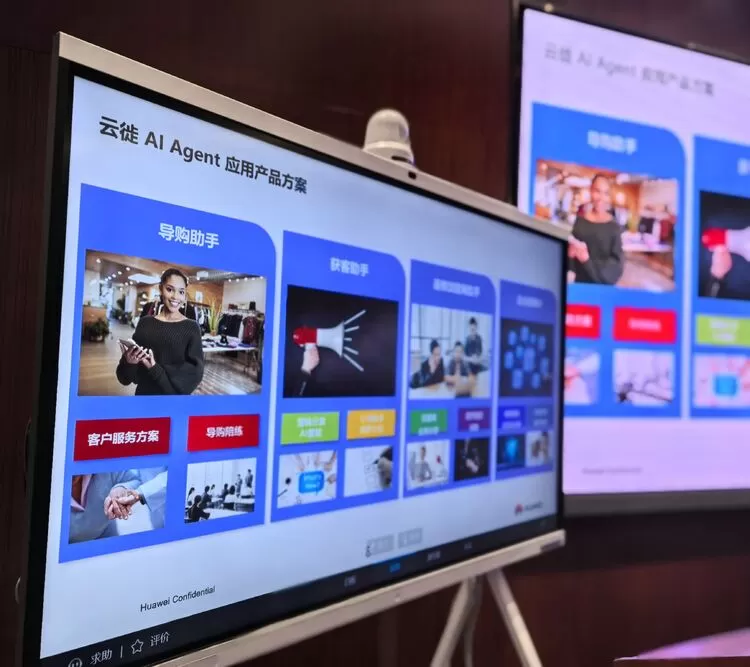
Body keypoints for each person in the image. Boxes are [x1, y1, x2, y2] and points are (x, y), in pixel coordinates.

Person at [116, 268, 205, 395]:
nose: (175, 297)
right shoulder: (145, 323)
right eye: (170, 289)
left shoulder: (192, 327)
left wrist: (155, 369)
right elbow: (126, 379)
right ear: (161, 289)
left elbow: (194, 374)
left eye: (181, 292)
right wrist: (129, 362)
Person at [568, 174, 624, 285]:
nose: (601, 198)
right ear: (591, 191)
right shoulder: (580, 221)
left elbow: (615, 266)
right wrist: (570, 254)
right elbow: (571, 263)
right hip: (580, 284)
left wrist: (587, 261)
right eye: (597, 191)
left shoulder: (614, 228)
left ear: (609, 197)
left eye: (606, 193)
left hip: (600, 288)